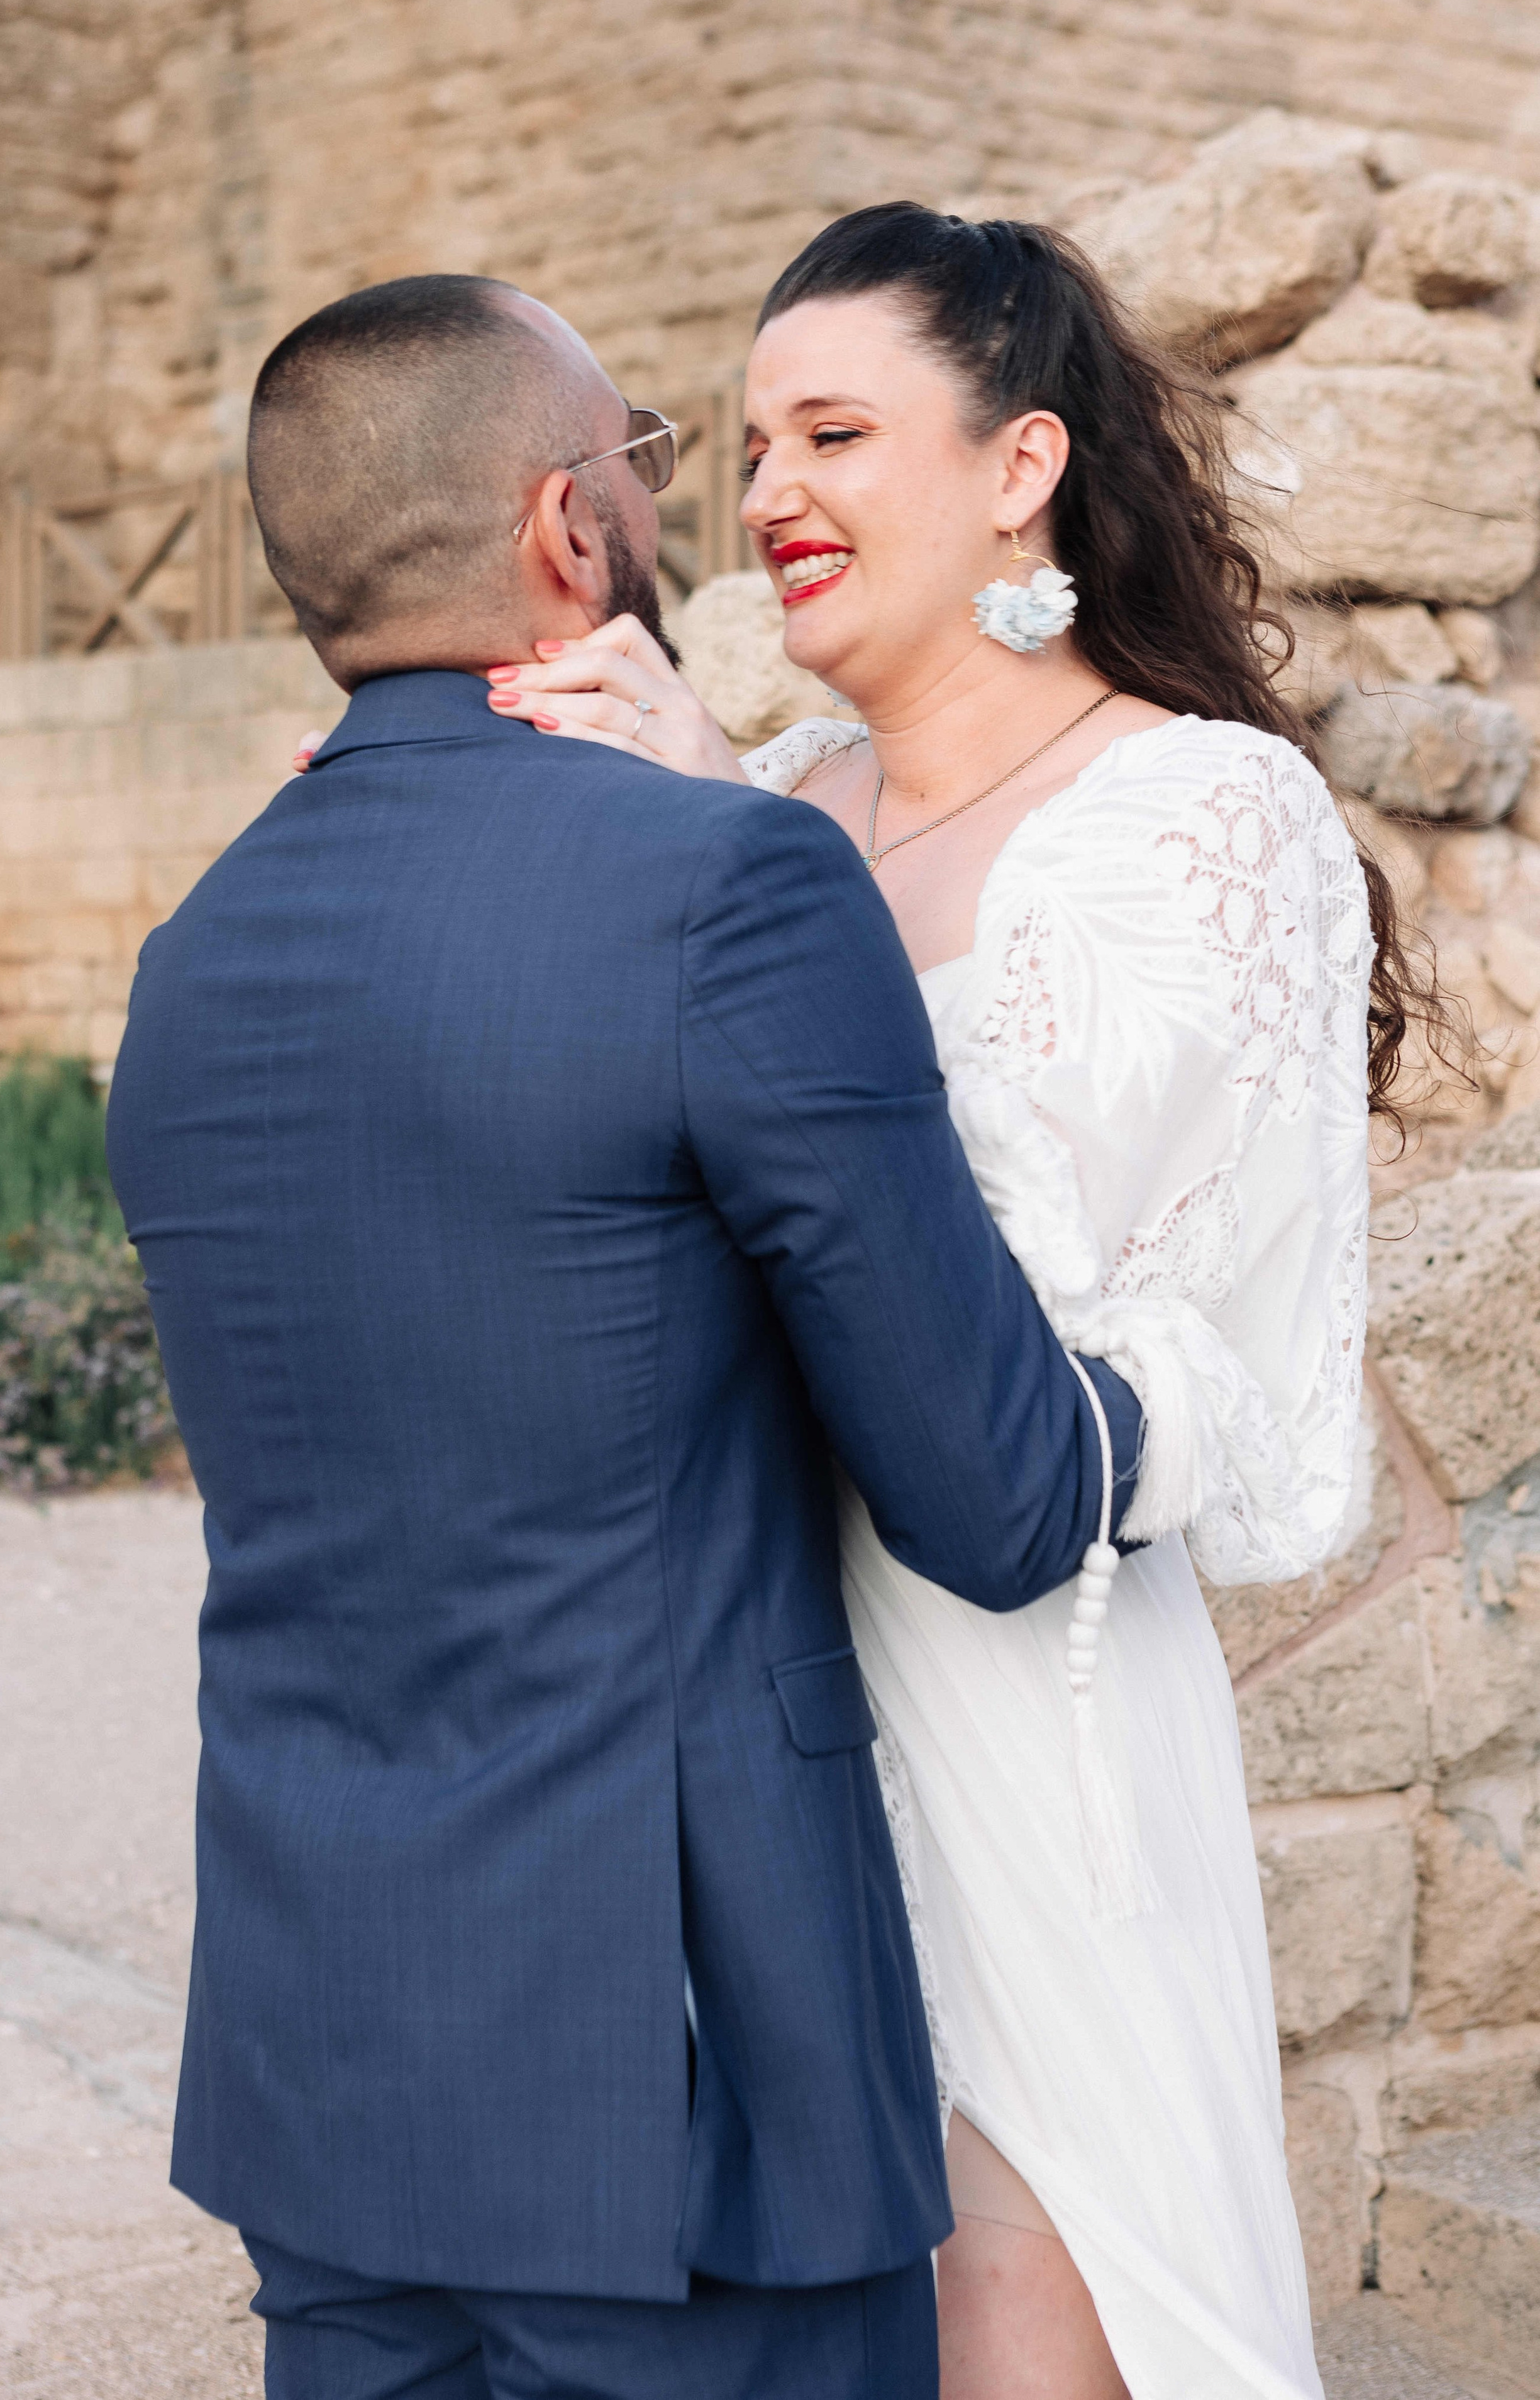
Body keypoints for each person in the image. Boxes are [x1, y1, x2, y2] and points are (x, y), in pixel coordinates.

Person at [105, 271, 1148, 2400]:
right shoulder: (737, 891)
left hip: (329, 2067)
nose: (685, 503)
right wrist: (1170, 1399)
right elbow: (1001, 1495)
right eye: (651, 458)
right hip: (682, 2087)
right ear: (564, 528)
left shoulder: (186, 961)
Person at [479, 204, 1438, 2399]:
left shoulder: (1202, 811)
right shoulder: (775, 813)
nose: (765, 496)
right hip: (744, 1691)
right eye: (742, 446)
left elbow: (1095, 1333)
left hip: (1026, 1696)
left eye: (832, 430)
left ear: (1019, 465)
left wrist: (728, 853)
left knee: (1025, 2316)